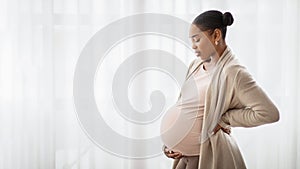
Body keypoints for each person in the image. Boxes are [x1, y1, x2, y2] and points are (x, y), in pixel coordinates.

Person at [160, 10, 280, 169]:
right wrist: (171, 143)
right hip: (183, 156)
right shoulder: (195, 65)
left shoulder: (234, 73)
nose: (193, 46)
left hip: (206, 157)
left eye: (197, 40)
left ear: (216, 36)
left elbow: (269, 113)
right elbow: (184, 106)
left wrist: (225, 119)